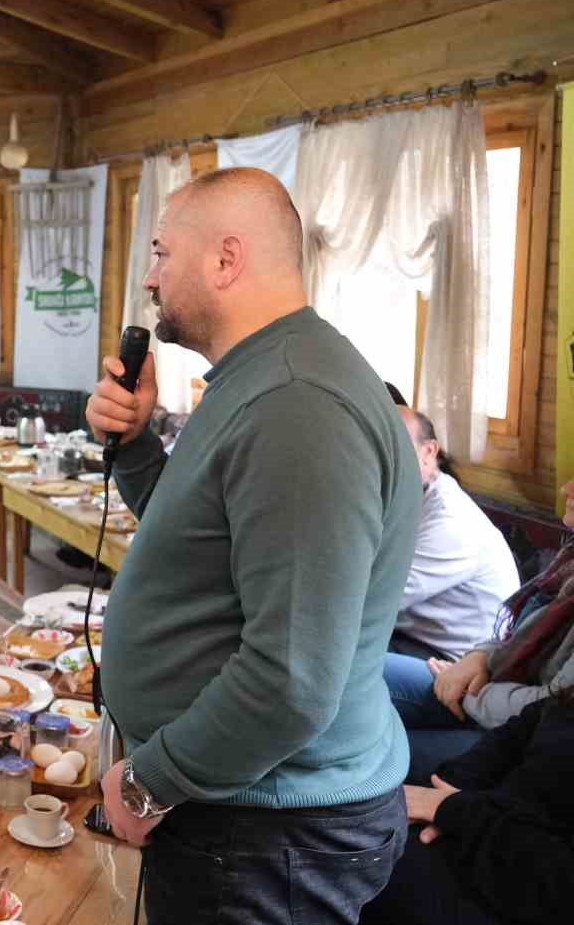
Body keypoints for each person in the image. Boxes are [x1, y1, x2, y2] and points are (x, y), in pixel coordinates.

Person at [85, 167, 418, 924]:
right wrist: (134, 447)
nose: (150, 277)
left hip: (267, 833)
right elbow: (199, 541)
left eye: (163, 254)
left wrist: (150, 780)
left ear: (225, 260)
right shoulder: (256, 378)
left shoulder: (296, 403)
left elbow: (292, 680)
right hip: (249, 817)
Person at [384, 478, 574, 785]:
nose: (566, 489)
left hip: (527, 740)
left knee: (364, 749)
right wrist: (479, 657)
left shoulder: (450, 520)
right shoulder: (569, 560)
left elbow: (553, 708)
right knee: (358, 674)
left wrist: (473, 691)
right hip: (491, 682)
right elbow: (516, 633)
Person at [361, 688, 574, 925]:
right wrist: (450, 786)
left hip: (516, 881)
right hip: (482, 823)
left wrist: (454, 810)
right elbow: (525, 728)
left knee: (346, 854)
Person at [389, 406, 518, 662]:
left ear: (428, 451)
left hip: (456, 664)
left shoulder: (451, 521)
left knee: (336, 662)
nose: (383, 455)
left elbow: (378, 597)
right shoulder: (407, 497)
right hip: (411, 637)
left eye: (397, 445)